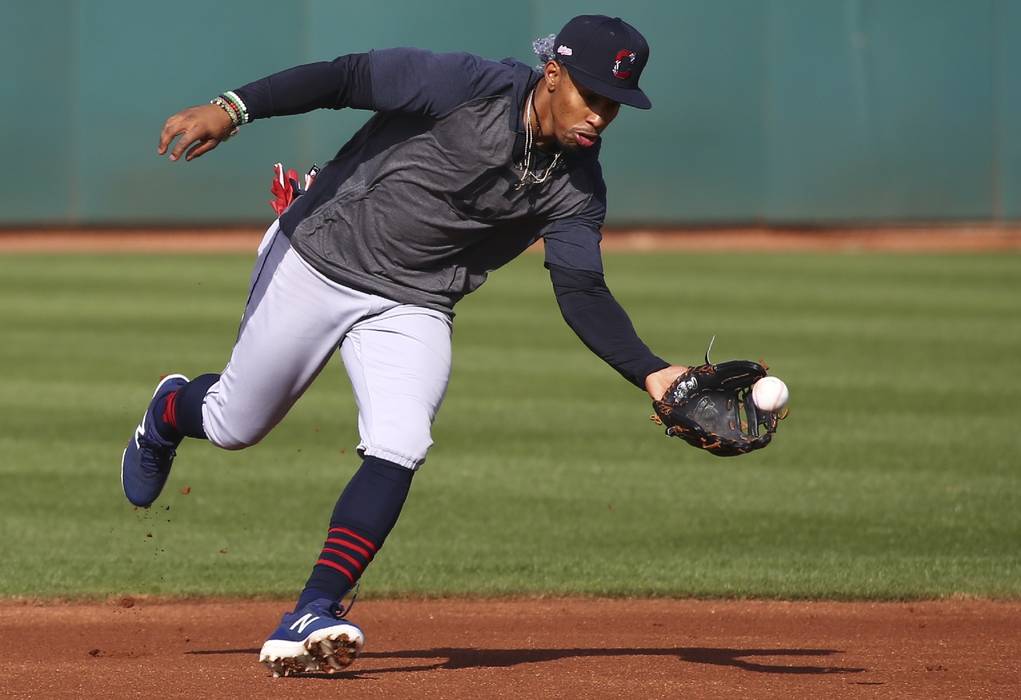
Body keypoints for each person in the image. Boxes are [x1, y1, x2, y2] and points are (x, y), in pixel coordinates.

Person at [123, 14, 686, 676]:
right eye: (591, 96)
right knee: (231, 425)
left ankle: (313, 609)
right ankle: (168, 412)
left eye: (615, 105)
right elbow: (346, 77)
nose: (600, 116)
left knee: (402, 439)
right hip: (317, 258)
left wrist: (651, 372)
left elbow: (582, 291)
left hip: (414, 302)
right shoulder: (465, 86)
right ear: (553, 75)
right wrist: (233, 109)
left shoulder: (576, 186)